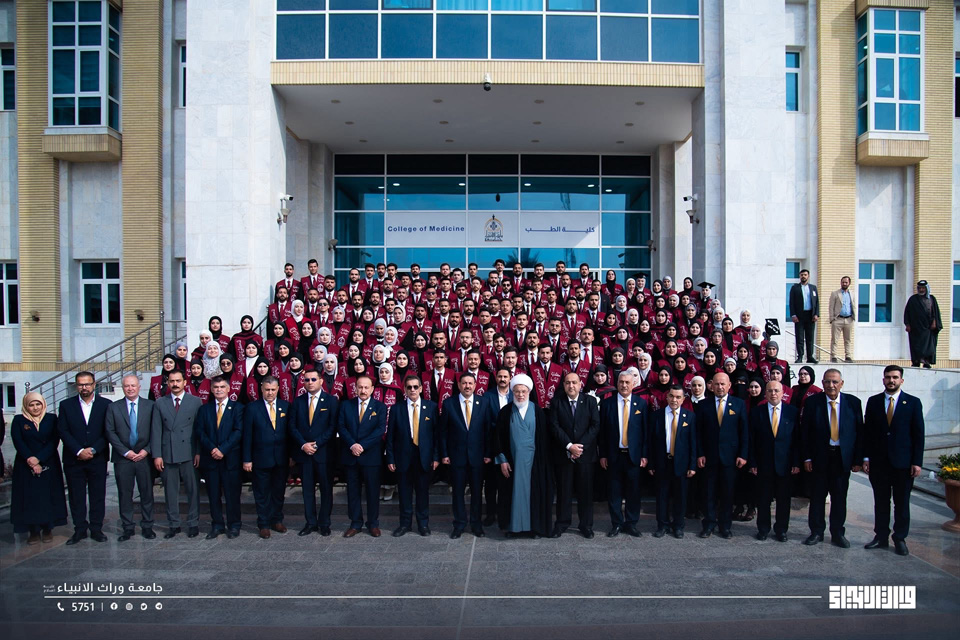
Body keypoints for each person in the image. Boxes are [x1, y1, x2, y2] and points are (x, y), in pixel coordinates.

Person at [862, 365, 924, 556]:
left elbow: (918, 434)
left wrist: (917, 462)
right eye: (888, 377)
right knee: (881, 502)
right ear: (883, 380)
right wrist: (866, 457)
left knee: (902, 503)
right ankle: (881, 536)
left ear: (901, 380)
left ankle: (900, 538)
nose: (891, 380)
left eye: (895, 377)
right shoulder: (873, 402)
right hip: (879, 463)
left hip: (903, 463)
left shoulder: (913, 403)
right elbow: (868, 432)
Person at [801, 368, 863, 548]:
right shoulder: (813, 403)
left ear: (841, 384)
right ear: (822, 383)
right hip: (820, 456)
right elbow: (805, 432)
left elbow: (859, 432)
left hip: (841, 458)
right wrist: (807, 458)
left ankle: (837, 533)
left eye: (835, 382)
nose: (831, 385)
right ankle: (816, 532)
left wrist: (857, 460)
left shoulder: (853, 403)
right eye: (827, 381)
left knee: (839, 497)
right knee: (817, 497)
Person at [492, 373, 555, 538]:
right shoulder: (505, 412)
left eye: (523, 391)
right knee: (511, 495)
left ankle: (533, 528)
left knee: (533, 495)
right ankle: (512, 528)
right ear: (512, 392)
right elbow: (497, 438)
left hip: (534, 463)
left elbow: (544, 440)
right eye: (517, 391)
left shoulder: (538, 412)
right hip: (512, 463)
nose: (520, 395)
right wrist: (502, 460)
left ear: (529, 392)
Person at [58, 371, 112, 545]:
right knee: (76, 496)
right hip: (74, 459)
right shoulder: (66, 405)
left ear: (94, 385)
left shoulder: (106, 405)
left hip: (97, 458)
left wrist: (94, 449)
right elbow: (63, 431)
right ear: (76, 386)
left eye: (87, 384)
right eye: (81, 384)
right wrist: (79, 450)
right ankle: (79, 529)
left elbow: (108, 431)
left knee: (98, 495)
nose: (84, 387)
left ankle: (96, 529)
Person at [104, 375, 160, 541]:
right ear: (123, 388)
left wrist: (147, 450)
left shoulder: (150, 406)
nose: (130, 388)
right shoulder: (113, 407)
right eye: (127, 386)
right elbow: (110, 432)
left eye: (133, 385)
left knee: (146, 493)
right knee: (125, 494)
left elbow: (156, 430)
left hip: (144, 457)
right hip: (123, 458)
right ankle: (127, 527)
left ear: (138, 386)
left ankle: (147, 526)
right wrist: (125, 452)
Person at [696, 372, 748, 539]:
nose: (719, 387)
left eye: (723, 384)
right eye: (717, 384)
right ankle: (709, 524)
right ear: (711, 386)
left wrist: (743, 455)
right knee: (708, 493)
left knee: (727, 493)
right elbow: (698, 433)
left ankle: (725, 526)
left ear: (729, 385)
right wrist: (700, 453)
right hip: (709, 457)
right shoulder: (703, 405)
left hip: (730, 458)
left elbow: (744, 432)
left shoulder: (739, 404)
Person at [548, 371, 601, 538]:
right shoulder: (557, 402)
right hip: (563, 454)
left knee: (585, 492)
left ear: (580, 385)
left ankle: (586, 525)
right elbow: (554, 426)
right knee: (564, 491)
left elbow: (595, 425)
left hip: (585, 455)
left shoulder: (590, 401)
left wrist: (580, 447)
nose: (571, 386)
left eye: (574, 382)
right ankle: (562, 523)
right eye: (568, 383)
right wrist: (570, 446)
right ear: (564, 385)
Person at [10, 392, 67, 544]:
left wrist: (39, 458)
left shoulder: (51, 419)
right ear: (26, 406)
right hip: (25, 464)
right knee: (30, 498)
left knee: (47, 496)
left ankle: (47, 528)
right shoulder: (19, 420)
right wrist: (31, 459)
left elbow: (54, 440)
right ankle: (33, 531)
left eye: (38, 404)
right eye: (31, 405)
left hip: (48, 462)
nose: (35, 408)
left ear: (43, 405)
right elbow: (18, 441)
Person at [386, 374, 439, 537]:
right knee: (404, 493)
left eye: (416, 387)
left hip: (424, 457)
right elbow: (390, 436)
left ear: (421, 389)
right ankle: (405, 524)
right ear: (405, 389)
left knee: (422, 493)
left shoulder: (431, 407)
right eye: (409, 387)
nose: (413, 390)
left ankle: (423, 524)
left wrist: (436, 457)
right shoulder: (397, 408)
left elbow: (436, 434)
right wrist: (390, 458)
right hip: (403, 457)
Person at [152, 369, 203, 539]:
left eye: (178, 381)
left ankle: (193, 523)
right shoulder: (160, 403)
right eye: (172, 381)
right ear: (167, 383)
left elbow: (198, 430)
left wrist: (198, 452)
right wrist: (157, 455)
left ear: (185, 382)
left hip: (189, 452)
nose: (175, 384)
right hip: (168, 453)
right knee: (170, 492)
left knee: (193, 490)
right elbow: (156, 431)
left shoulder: (195, 401)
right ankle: (173, 524)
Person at [748, 380, 800, 542]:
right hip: (764, 463)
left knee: (783, 500)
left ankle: (781, 530)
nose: (773, 394)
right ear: (765, 393)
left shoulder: (792, 412)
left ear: (782, 393)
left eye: (776, 390)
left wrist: (796, 462)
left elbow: (797, 439)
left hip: (785, 464)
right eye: (770, 391)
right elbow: (751, 439)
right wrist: (753, 462)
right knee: (763, 499)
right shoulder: (757, 412)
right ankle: (763, 529)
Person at [599, 370, 648, 538]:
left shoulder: (641, 404)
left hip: (634, 456)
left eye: (627, 382)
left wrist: (644, 454)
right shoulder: (607, 404)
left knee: (633, 491)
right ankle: (617, 523)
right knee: (614, 492)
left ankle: (631, 523)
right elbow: (603, 432)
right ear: (617, 383)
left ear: (633, 384)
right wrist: (603, 454)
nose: (624, 385)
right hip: (614, 455)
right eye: (621, 382)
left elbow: (645, 432)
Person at [290, 369, 339, 537]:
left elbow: (332, 427)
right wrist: (303, 444)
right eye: (306, 380)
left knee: (326, 490)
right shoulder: (298, 401)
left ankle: (324, 523)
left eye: (313, 379)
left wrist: (317, 444)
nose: (309, 382)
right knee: (307, 490)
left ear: (321, 381)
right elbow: (292, 426)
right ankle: (310, 523)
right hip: (304, 453)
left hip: (323, 453)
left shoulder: (331, 401)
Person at [338, 374, 387, 538]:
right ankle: (355, 523)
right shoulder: (346, 405)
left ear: (372, 389)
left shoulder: (380, 407)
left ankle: (373, 523)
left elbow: (380, 430)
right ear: (355, 388)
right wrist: (353, 444)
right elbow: (341, 427)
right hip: (351, 455)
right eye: (360, 387)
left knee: (373, 492)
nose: (363, 390)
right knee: (353, 492)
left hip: (371, 456)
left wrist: (362, 445)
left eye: (366, 387)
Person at [440, 372, 488, 538]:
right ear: (459, 385)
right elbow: (443, 432)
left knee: (476, 492)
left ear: (475, 385)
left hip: (477, 456)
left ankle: (476, 524)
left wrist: (488, 453)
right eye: (464, 383)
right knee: (458, 492)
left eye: (470, 383)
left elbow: (487, 430)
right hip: (456, 456)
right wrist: (444, 454)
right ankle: (459, 524)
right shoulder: (449, 403)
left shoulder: (483, 402)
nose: (467, 386)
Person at [196, 376, 245, 539]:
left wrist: (223, 449)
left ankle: (234, 525)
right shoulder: (204, 409)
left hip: (230, 459)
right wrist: (212, 449)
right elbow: (200, 432)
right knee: (213, 495)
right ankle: (217, 525)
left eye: (222, 387)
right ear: (211, 389)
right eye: (216, 387)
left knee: (232, 495)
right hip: (211, 459)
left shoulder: (238, 408)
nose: (219, 390)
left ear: (228, 389)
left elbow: (238, 431)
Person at [243, 375, 291, 539]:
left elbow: (289, 434)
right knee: (262, 493)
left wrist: (291, 456)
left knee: (278, 492)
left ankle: (277, 520)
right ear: (261, 390)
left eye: (273, 390)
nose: (270, 393)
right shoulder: (252, 408)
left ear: (278, 389)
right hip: (260, 458)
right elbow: (247, 435)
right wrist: (247, 459)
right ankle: (263, 523)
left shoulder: (285, 406)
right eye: (267, 390)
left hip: (281, 458)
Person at [648, 385, 697, 538]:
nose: (674, 400)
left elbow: (693, 442)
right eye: (671, 396)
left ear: (683, 399)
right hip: (662, 462)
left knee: (680, 496)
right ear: (667, 397)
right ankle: (662, 525)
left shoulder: (690, 417)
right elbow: (651, 442)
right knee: (662, 496)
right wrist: (651, 463)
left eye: (678, 397)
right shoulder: (657, 416)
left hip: (682, 463)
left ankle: (678, 526)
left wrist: (692, 465)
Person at [478, 367, 512, 526]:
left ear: (510, 378)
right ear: (496, 378)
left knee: (507, 481)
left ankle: (506, 513)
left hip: (511, 444)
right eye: (500, 376)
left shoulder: (516, 394)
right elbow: (484, 421)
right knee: (491, 483)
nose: (502, 379)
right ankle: (490, 514)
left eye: (505, 376)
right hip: (492, 443)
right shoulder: (487, 396)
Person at [903, 280, 943, 368]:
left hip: (929, 328)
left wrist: (934, 322)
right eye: (920, 288)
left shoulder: (932, 299)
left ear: (926, 289)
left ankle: (926, 362)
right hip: (916, 328)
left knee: (929, 346)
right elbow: (907, 312)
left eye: (923, 288)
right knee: (916, 346)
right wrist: (907, 324)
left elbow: (935, 313)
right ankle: (916, 362)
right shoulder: (913, 299)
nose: (921, 290)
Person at [788, 268, 819, 364]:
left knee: (810, 337)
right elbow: (791, 302)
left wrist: (816, 314)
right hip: (799, 316)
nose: (803, 276)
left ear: (808, 276)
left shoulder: (813, 288)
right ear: (799, 276)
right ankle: (800, 356)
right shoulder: (795, 288)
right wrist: (793, 315)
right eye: (802, 275)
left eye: (805, 275)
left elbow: (817, 302)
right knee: (800, 337)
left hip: (810, 315)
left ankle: (810, 356)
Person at [828, 276, 855, 363]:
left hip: (849, 319)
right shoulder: (835, 293)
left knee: (848, 339)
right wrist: (832, 319)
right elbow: (831, 306)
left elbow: (853, 305)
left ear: (849, 283)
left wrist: (854, 317)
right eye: (843, 282)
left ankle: (848, 356)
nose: (844, 284)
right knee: (835, 339)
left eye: (846, 282)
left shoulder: (852, 294)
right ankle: (833, 356)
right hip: (838, 319)